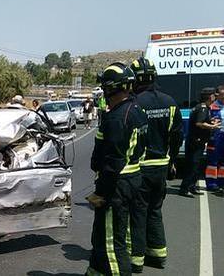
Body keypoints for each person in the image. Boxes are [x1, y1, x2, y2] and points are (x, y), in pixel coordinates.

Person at [86, 62, 147, 276]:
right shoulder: (136, 110)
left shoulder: (117, 117)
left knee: (113, 243)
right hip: (132, 179)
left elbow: (113, 162)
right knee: (103, 235)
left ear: (109, 88)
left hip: (116, 186)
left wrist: (100, 192)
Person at [129, 57, 183, 272]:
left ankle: (137, 259)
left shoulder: (135, 104)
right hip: (162, 166)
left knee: (138, 212)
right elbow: (177, 136)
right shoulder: (170, 101)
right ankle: (158, 255)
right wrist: (172, 161)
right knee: (155, 211)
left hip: (140, 167)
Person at [180, 88, 220, 197]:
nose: (215, 97)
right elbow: (199, 123)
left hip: (198, 141)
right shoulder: (202, 108)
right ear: (209, 96)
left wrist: (211, 121)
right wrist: (213, 126)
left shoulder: (204, 108)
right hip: (195, 142)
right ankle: (185, 188)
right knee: (192, 166)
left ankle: (192, 187)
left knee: (196, 166)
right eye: (213, 95)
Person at [206, 85, 224, 192]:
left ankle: (221, 183)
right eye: (222, 96)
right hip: (215, 137)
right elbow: (206, 121)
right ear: (217, 95)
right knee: (212, 161)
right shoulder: (212, 107)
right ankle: (212, 184)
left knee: (223, 162)